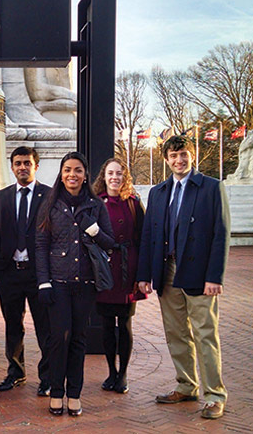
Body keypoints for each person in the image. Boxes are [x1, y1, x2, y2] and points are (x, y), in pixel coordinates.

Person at [137, 135, 230, 420]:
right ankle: (186, 385)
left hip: (199, 274)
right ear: (166, 159)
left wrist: (215, 276)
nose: (179, 160)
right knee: (176, 333)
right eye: (173, 155)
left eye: (183, 154)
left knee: (205, 334)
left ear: (192, 156)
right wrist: (145, 274)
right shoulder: (158, 192)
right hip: (166, 273)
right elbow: (149, 235)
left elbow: (220, 233)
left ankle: (214, 395)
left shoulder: (211, 188)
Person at [35, 151, 114, 416]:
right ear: (61, 173)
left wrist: (93, 229)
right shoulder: (50, 203)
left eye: (78, 170)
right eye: (68, 169)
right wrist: (43, 282)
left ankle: (74, 394)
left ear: (85, 175)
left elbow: (109, 244)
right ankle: (56, 391)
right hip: (57, 282)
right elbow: (41, 244)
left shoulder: (96, 205)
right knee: (59, 338)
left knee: (78, 339)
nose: (72, 175)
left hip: (85, 283)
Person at [0, 146, 52, 396]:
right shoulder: (1, 197)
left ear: (36, 166)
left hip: (38, 273)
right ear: (12, 167)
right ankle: (16, 372)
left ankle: (48, 377)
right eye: (17, 163)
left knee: (44, 326)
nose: (22, 167)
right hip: (9, 272)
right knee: (12, 325)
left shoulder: (49, 196)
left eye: (27, 163)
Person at [92, 158, 147, 394]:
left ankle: (123, 374)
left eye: (119, 174)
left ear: (125, 177)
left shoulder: (134, 203)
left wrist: (142, 275)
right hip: (104, 270)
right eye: (110, 173)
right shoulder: (95, 204)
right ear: (104, 176)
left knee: (124, 324)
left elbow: (144, 239)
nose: (115, 177)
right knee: (106, 325)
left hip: (128, 269)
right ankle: (111, 371)